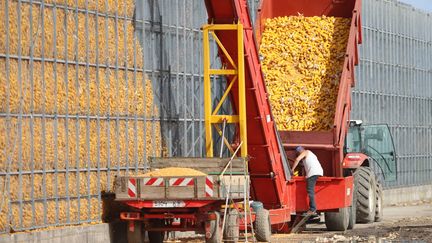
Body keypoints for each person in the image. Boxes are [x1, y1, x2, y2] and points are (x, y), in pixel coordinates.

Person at [292, 146, 324, 215]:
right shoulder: (310, 154)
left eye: (298, 153)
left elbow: (297, 159)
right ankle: (312, 208)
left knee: (310, 190)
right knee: (310, 190)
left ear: (300, 151)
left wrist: (292, 170)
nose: (298, 154)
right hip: (317, 172)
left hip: (313, 173)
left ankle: (312, 209)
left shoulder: (306, 152)